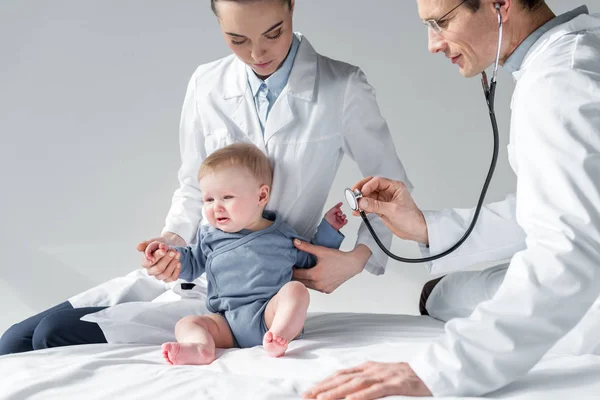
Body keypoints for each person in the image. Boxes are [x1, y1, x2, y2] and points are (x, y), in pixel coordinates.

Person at [0, 0, 411, 354]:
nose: (257, 53)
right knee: (14, 340)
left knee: (51, 336)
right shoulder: (206, 84)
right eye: (238, 40)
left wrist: (357, 261)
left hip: (255, 296)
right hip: (194, 265)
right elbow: (192, 187)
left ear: (292, 7)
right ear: (218, 24)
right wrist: (170, 245)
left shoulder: (342, 87)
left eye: (273, 33)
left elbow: (391, 187)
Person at [304, 1, 600, 398]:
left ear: (500, 5)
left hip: (587, 292)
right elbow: (568, 204)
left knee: (443, 297)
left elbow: (571, 249)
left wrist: (436, 371)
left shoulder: (558, 85)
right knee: (443, 291)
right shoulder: (579, 51)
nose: (432, 44)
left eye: (441, 22)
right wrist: (427, 228)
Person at [157, 143, 347, 364]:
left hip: (269, 316)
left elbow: (313, 259)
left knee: (296, 290)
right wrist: (168, 254)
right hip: (226, 322)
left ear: (261, 195)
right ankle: (201, 347)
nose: (216, 207)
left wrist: (329, 229)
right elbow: (190, 264)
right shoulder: (209, 237)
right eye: (209, 199)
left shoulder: (282, 236)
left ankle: (279, 337)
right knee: (187, 324)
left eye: (227, 197)